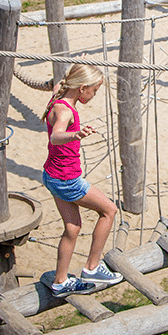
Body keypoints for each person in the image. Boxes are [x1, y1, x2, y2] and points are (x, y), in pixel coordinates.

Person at [42, 63, 122, 297]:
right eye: (94, 91)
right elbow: (56, 136)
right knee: (109, 211)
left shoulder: (59, 94)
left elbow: (65, 78)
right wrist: (75, 134)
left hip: (52, 175)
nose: (94, 95)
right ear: (82, 88)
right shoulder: (66, 111)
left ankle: (60, 281)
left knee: (72, 227)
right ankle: (92, 267)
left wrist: (80, 61)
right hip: (67, 179)